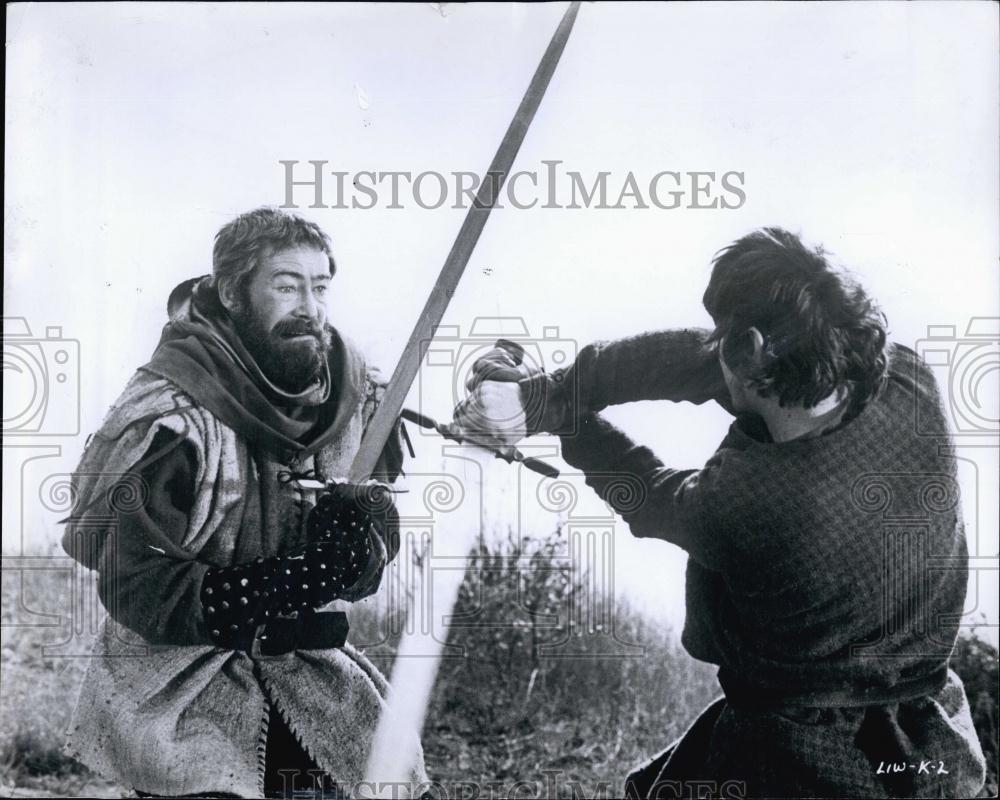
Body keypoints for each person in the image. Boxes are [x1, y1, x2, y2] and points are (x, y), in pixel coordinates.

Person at [453, 228, 987, 798]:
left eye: (725, 337)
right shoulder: (905, 379)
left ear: (754, 348)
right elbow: (704, 363)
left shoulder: (745, 503)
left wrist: (560, 414)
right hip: (933, 744)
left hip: (800, 760)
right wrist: (549, 393)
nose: (713, 352)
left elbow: (650, 492)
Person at [61, 207, 427, 798]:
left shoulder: (359, 401)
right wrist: (285, 580)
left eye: (320, 287)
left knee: (388, 782)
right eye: (287, 287)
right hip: (179, 679)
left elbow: (376, 556)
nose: (310, 306)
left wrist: (354, 552)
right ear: (232, 293)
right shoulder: (171, 415)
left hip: (308, 669)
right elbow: (135, 582)